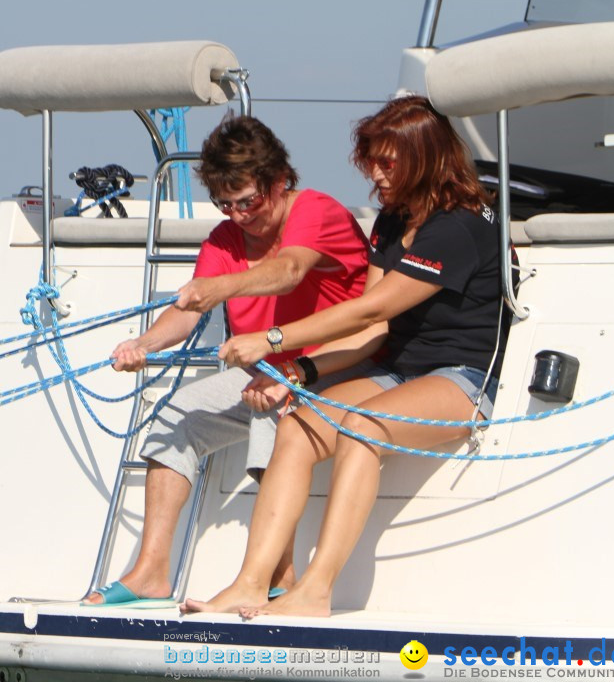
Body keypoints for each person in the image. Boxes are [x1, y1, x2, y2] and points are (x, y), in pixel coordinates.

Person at [181, 95, 511, 618]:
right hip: (396, 370)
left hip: (462, 379)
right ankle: (251, 582)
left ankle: (315, 590)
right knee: (296, 428)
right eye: (371, 163)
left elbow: (371, 308)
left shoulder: (459, 225)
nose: (375, 175)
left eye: (387, 163)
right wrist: (300, 371)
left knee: (363, 426)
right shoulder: (392, 220)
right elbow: (377, 325)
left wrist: (272, 341)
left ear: (423, 156)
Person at [83, 114, 373, 607]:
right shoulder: (225, 239)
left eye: (248, 201)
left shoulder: (315, 211)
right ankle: (151, 570)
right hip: (272, 371)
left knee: (266, 405)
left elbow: (288, 270)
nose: (238, 215)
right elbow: (187, 309)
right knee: (177, 414)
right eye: (225, 203)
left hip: (338, 363)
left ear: (279, 181)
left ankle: (276, 576)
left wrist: (219, 287)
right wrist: (144, 346)